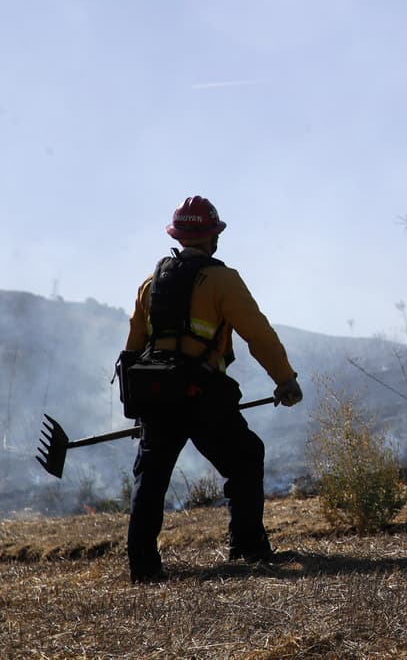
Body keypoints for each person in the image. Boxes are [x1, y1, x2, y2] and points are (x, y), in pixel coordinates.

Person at [121, 195, 304, 583]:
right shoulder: (222, 280)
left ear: (178, 235)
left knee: (150, 478)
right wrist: (285, 380)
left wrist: (142, 405)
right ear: (212, 238)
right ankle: (248, 547)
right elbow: (259, 335)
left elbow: (133, 350)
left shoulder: (150, 285)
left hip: (156, 394)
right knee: (246, 457)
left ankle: (142, 566)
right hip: (203, 394)